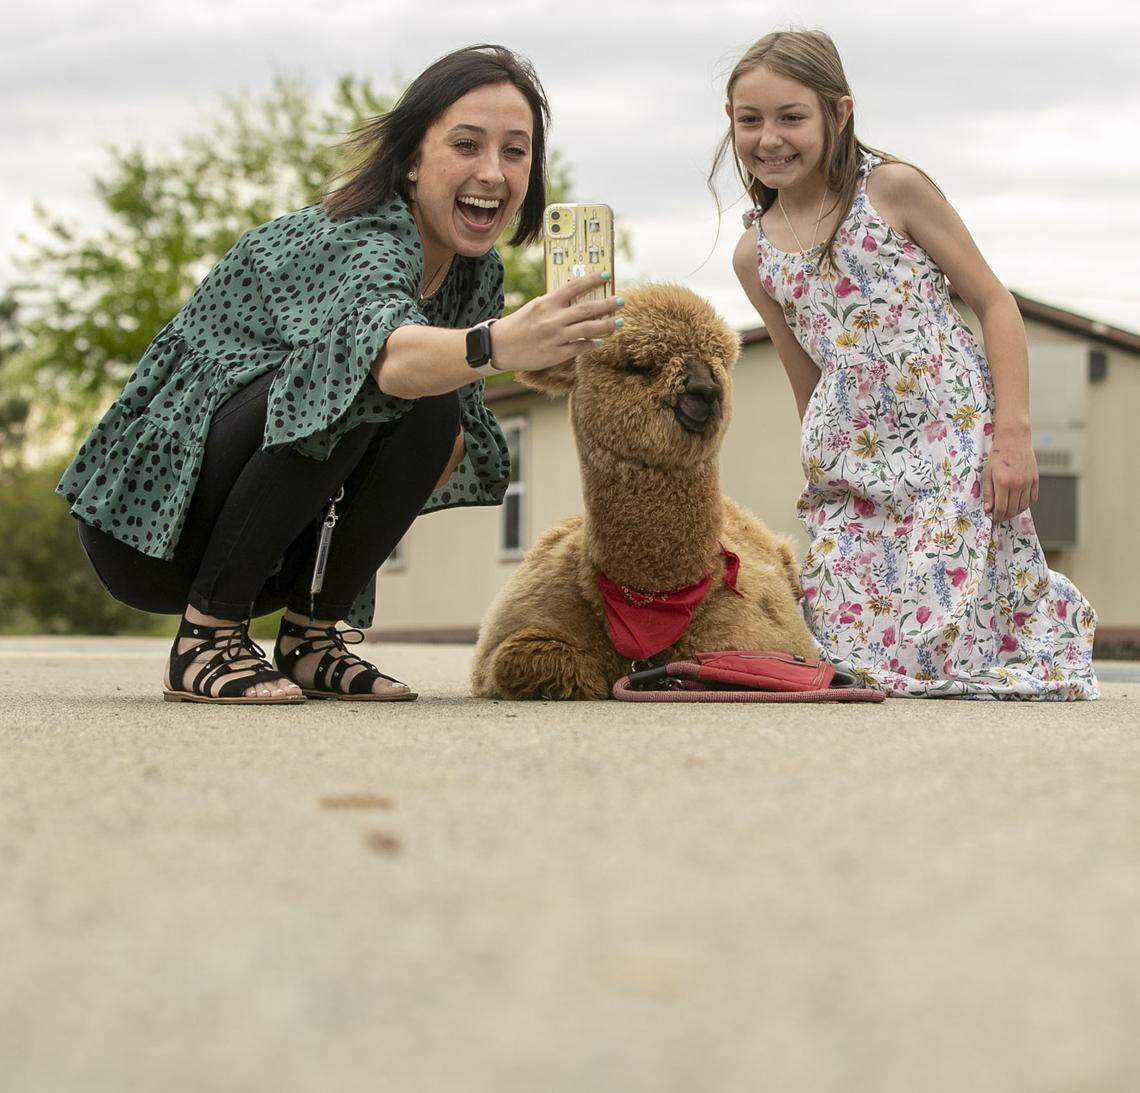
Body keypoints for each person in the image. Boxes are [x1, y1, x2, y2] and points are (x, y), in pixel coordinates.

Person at [57, 43, 623, 705]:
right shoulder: (358, 235)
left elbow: (434, 423)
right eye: (467, 145)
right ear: (412, 161)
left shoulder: (474, 272)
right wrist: (497, 343)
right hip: (150, 525)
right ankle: (206, 639)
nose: (492, 172)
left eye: (515, 151)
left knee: (441, 412)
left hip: (268, 544)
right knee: (366, 378)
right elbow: (383, 355)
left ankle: (311, 637)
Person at [713, 29, 1097, 699]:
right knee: (847, 659)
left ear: (839, 113)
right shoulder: (755, 255)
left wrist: (1013, 433)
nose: (769, 136)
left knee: (938, 649)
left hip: (948, 442)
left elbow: (994, 302)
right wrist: (821, 473)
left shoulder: (893, 191)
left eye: (791, 117)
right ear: (731, 123)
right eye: (751, 120)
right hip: (853, 465)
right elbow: (806, 375)